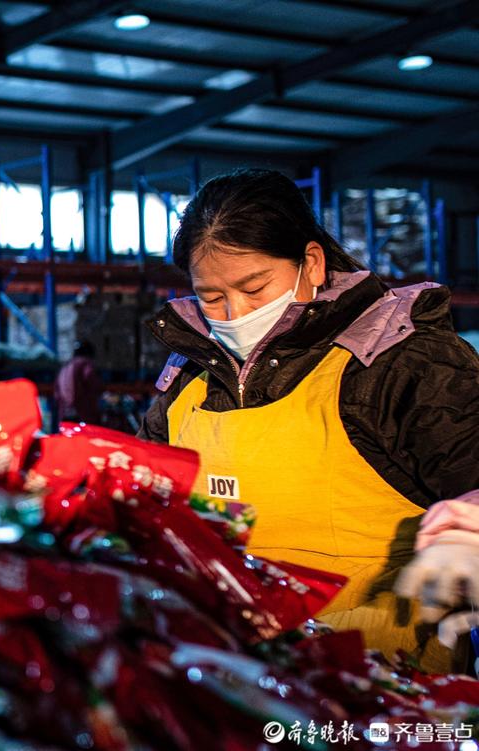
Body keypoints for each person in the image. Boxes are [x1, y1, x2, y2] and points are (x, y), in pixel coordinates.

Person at [138, 169, 479, 672]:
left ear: (312, 263)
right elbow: (142, 499)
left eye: (255, 288)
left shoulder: (402, 362)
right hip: (230, 672)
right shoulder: (188, 378)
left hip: (380, 681)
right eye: (210, 297)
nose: (234, 313)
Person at [55, 341, 104, 424]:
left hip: (65, 413)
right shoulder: (85, 364)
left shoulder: (65, 367)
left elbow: (56, 393)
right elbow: (91, 381)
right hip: (83, 413)